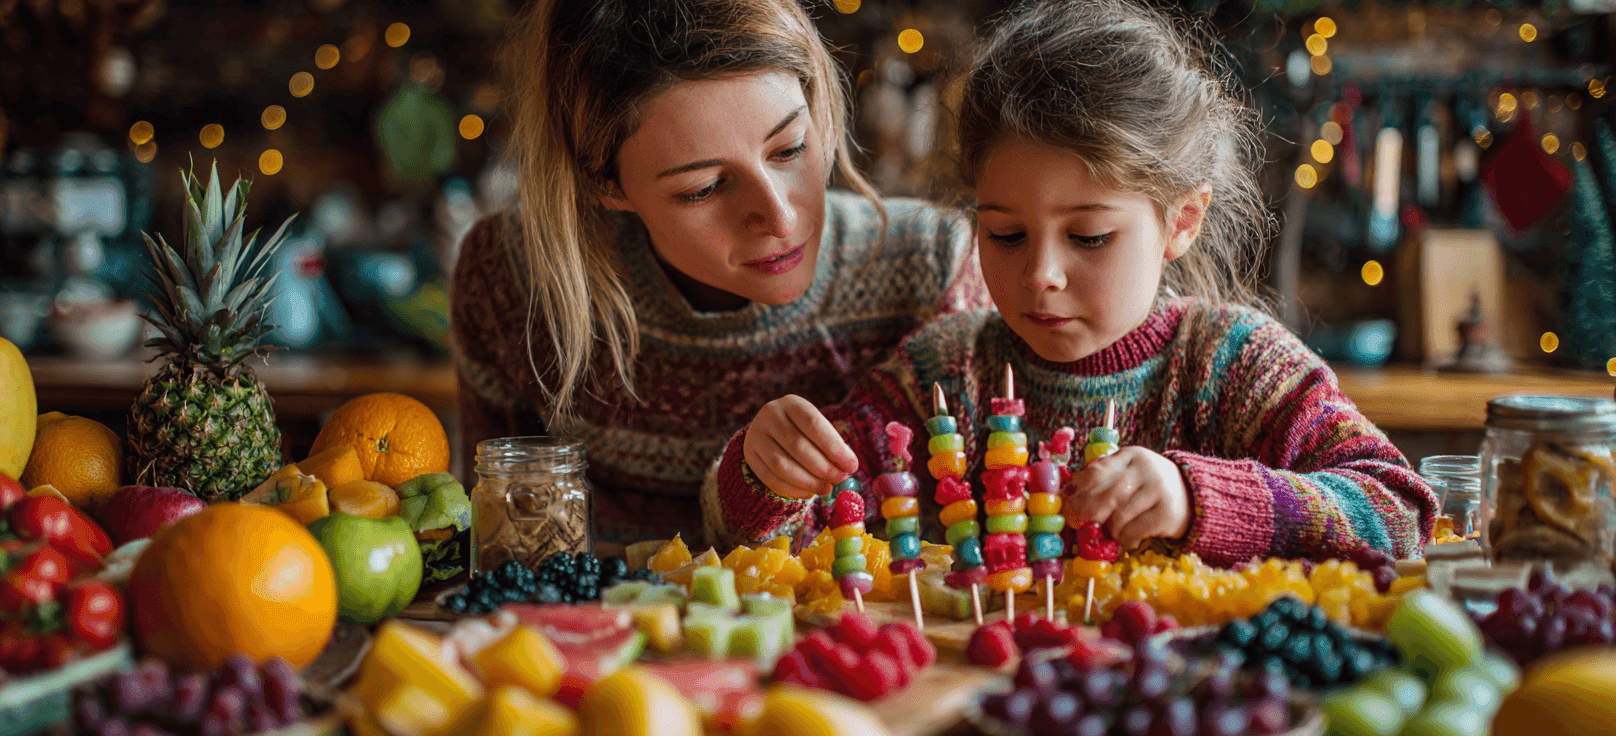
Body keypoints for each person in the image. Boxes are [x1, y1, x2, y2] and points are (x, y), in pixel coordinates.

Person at [712, 0, 1435, 564]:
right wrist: (763, 476)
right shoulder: (946, 375)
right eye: (1005, 235)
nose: (1040, 275)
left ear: (1181, 221)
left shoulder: (1232, 365)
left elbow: (1400, 510)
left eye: (1089, 237)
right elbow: (794, 535)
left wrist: (1199, 498)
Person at [451, 0, 987, 546]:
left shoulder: (932, 263)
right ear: (605, 184)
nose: (780, 218)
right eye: (703, 188)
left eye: (790, 149)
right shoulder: (509, 278)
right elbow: (501, 550)